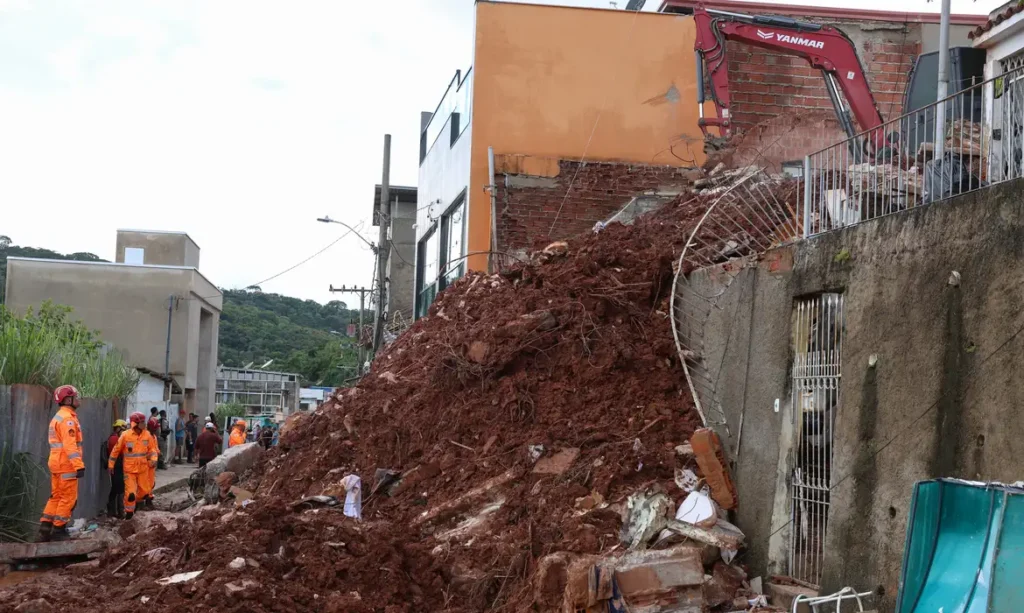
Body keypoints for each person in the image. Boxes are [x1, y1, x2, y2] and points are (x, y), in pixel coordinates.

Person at [38, 385, 85, 542]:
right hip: (67, 464)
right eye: (76, 396)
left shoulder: (59, 417)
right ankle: (58, 530)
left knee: (56, 496)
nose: (79, 399)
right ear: (68, 399)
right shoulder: (68, 420)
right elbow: (70, 445)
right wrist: (78, 465)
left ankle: (45, 527)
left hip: (56, 462)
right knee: (68, 498)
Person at [108, 412, 158, 520]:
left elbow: (152, 450)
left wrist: (154, 459)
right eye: (142, 422)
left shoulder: (147, 435)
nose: (144, 424)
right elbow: (115, 451)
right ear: (135, 423)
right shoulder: (125, 435)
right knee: (130, 493)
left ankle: (136, 503)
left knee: (145, 492)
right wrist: (111, 465)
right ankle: (129, 512)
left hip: (143, 469)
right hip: (129, 470)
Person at [106, 419, 128, 518]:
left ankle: (112, 511)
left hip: (116, 466)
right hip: (117, 466)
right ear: (118, 428)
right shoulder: (115, 439)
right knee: (120, 489)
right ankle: (120, 512)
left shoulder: (113, 438)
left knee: (115, 489)